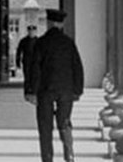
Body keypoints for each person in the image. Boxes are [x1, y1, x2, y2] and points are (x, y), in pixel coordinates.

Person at [26, 9, 83, 162]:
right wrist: (77, 90)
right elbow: (77, 66)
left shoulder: (41, 42)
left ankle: (47, 158)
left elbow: (34, 68)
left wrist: (31, 91)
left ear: (49, 23)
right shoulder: (68, 43)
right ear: (61, 24)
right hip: (65, 90)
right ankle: (69, 154)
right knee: (64, 122)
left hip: (45, 90)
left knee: (45, 127)